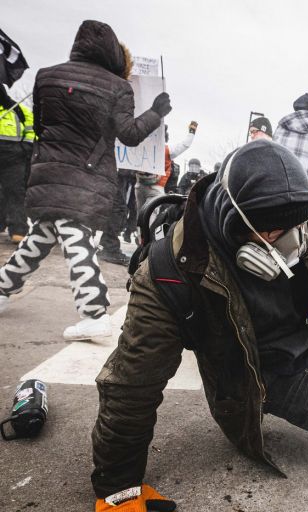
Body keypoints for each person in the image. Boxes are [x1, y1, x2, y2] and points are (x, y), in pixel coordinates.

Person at [90, 141, 308, 510]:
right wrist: (118, 488)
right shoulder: (170, 273)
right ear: (233, 220)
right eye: (272, 233)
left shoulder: (294, 199)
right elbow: (131, 385)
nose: (291, 242)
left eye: (297, 227)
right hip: (269, 369)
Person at [0, 20, 170, 339]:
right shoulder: (118, 88)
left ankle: (3, 288)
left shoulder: (46, 76)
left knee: (42, 235)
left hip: (49, 169)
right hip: (87, 175)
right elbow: (129, 134)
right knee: (76, 239)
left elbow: (43, 125)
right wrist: (156, 113)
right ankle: (94, 313)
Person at [133, 122, 196, 213]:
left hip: (142, 185)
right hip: (155, 187)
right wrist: (192, 131)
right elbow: (185, 144)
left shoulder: (143, 147)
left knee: (141, 213)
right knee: (150, 214)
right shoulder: (167, 149)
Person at [0, 85, 34, 243]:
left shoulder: (19, 109)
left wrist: (25, 149)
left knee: (15, 192)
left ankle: (18, 229)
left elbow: (31, 131)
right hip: (13, 155)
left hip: (14, 158)